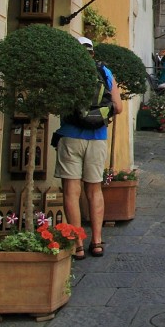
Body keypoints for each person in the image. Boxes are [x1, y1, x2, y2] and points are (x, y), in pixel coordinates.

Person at [54, 36, 122, 260]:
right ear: (92, 52)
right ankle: (97, 241)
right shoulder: (105, 72)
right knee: (94, 191)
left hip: (70, 136)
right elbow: (118, 107)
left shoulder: (65, 71)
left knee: (71, 193)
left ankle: (77, 245)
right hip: (97, 137)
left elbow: (57, 105)